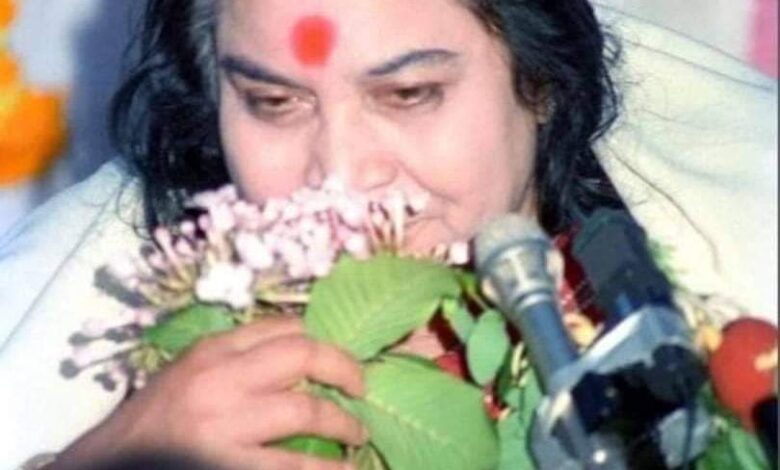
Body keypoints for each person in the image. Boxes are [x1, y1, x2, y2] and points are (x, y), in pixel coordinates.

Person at [0, 0, 776, 469]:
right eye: (273, 102)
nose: (340, 174)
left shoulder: (723, 293)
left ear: (540, 80)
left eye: (407, 94)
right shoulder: (109, 337)